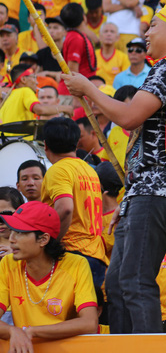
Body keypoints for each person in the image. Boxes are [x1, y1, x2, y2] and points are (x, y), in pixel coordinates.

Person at [61, 2, 166, 334]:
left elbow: (131, 117)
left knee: (133, 280)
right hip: (163, 189)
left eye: (154, 25)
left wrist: (90, 89)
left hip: (156, 190)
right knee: (117, 284)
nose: (146, 32)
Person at [0, 202, 98, 351]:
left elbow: (89, 323)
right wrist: (13, 330)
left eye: (20, 232)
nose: (12, 239)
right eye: (12, 231)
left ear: (43, 239)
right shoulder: (8, 263)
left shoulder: (76, 265)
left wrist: (32, 331)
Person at [40, 118, 107, 285]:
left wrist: (51, 244)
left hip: (71, 254)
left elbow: (65, 208)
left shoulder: (58, 170)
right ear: (77, 143)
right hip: (95, 255)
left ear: (45, 145)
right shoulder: (89, 169)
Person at [0, 65, 72, 127]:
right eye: (34, 77)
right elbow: (40, 110)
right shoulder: (25, 90)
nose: (37, 82)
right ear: (23, 79)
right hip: (18, 141)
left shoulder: (9, 96)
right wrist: (65, 108)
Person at [59, 3, 98, 97]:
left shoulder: (77, 35)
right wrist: (77, 98)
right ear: (84, 17)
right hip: (73, 95)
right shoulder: (75, 38)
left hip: (80, 91)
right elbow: (73, 73)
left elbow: (97, 41)